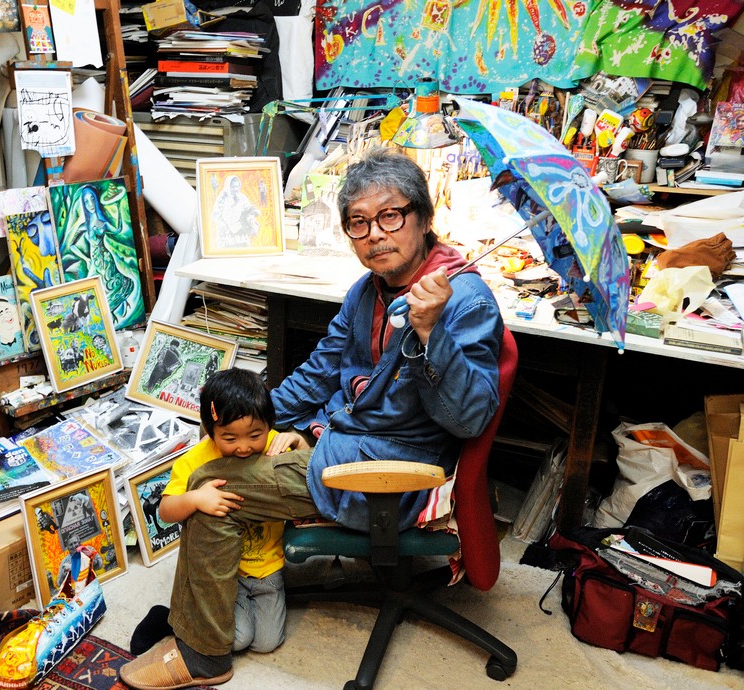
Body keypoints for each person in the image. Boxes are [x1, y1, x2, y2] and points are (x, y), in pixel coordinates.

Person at [119, 148, 504, 690]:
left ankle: (203, 653)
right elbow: (320, 371)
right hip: (339, 440)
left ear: (423, 218)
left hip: (393, 470)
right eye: (359, 223)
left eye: (391, 216)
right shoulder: (368, 291)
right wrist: (248, 419)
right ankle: (212, 613)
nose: (375, 234)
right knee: (215, 459)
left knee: (213, 484)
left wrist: (429, 332)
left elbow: (469, 420)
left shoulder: (464, 301)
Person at [129, 368, 295, 658]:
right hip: (221, 574)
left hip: (268, 568)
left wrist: (297, 441)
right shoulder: (195, 460)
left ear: (269, 424)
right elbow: (165, 511)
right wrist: (195, 498)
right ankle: (170, 617)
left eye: (255, 435)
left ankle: (208, 613)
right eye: (229, 438)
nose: (244, 447)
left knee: (266, 643)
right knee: (236, 640)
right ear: (209, 429)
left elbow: (306, 470)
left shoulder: (273, 443)